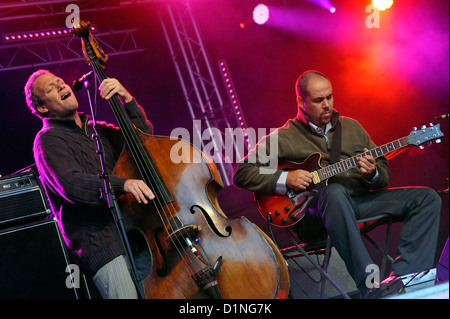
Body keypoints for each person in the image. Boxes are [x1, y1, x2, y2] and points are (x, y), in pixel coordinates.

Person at [233, 70, 442, 298]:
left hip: (357, 203)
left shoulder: (351, 127)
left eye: (330, 97)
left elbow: (383, 175)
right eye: (318, 100)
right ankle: (371, 288)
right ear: (301, 102)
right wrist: (286, 179)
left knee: (427, 198)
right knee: (334, 192)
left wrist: (372, 173)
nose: (327, 105)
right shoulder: (282, 138)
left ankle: (405, 280)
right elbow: (242, 173)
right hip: (314, 215)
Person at [24, 69, 155, 299]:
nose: (61, 86)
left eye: (60, 82)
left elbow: (143, 143)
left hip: (140, 235)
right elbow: (72, 185)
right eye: (51, 88)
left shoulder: (97, 129)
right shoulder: (47, 140)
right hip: (105, 249)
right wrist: (122, 184)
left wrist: (127, 100)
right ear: (43, 108)